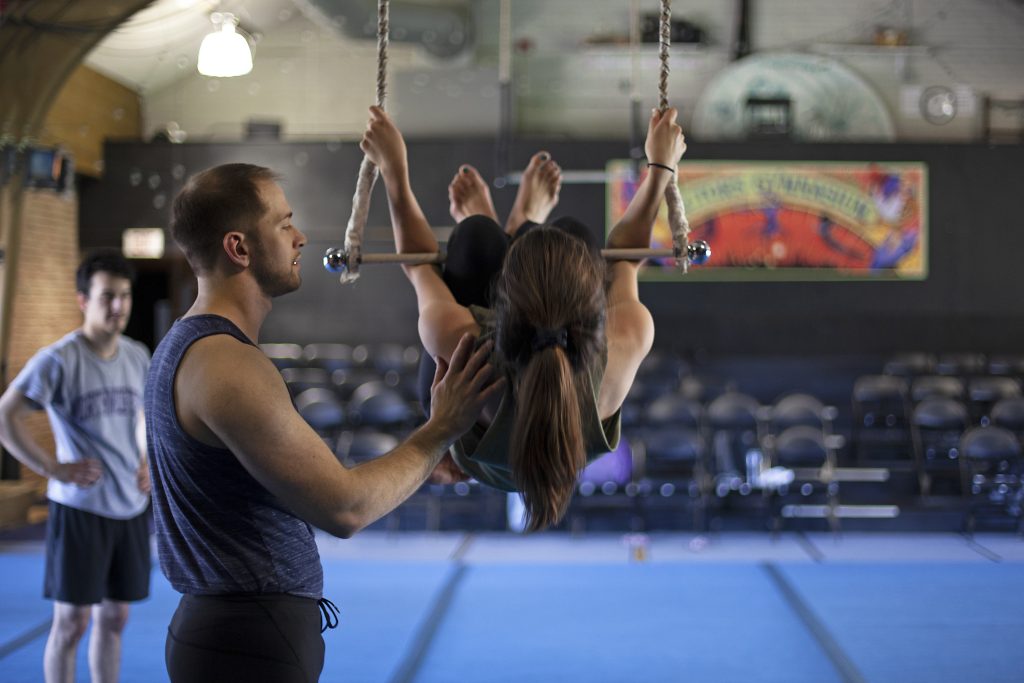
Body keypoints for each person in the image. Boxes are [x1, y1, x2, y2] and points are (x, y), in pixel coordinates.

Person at [148, 162, 503, 683]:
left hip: (234, 632)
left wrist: (426, 461)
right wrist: (442, 426)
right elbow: (344, 507)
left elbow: (302, 480)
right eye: (284, 223)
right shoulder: (227, 364)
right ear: (239, 249)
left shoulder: (187, 348)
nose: (301, 237)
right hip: (248, 642)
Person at [359, 104, 687, 531]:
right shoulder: (625, 336)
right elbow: (626, 254)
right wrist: (660, 168)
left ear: (500, 299)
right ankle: (517, 224)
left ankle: (512, 226)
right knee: (563, 235)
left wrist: (392, 167)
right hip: (502, 422)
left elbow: (418, 264)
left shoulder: (464, 342)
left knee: (476, 240)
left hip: (471, 444)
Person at [0, 249, 151, 683]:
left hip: (129, 505)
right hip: (80, 508)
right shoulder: (59, 359)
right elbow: (7, 415)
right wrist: (52, 467)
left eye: (124, 296)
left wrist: (146, 461)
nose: (118, 306)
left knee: (115, 618)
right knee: (72, 623)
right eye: (107, 296)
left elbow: (140, 418)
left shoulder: (137, 355)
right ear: (83, 300)